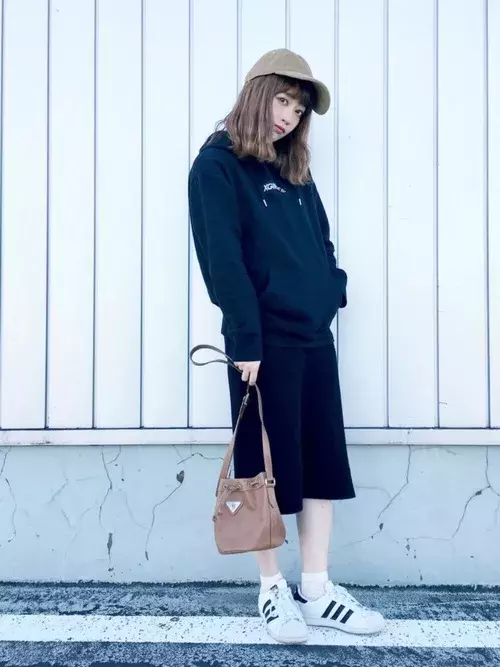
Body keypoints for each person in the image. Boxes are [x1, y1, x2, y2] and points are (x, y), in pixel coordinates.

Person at [188, 48, 385, 644]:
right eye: (282, 101)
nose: (289, 117)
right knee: (265, 468)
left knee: (322, 461)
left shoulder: (294, 170)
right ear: (257, 93)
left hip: (312, 337)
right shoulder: (216, 166)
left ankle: (317, 591)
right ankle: (272, 588)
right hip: (262, 343)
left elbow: (321, 241)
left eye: (298, 110)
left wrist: (331, 289)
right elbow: (222, 262)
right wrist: (245, 339)